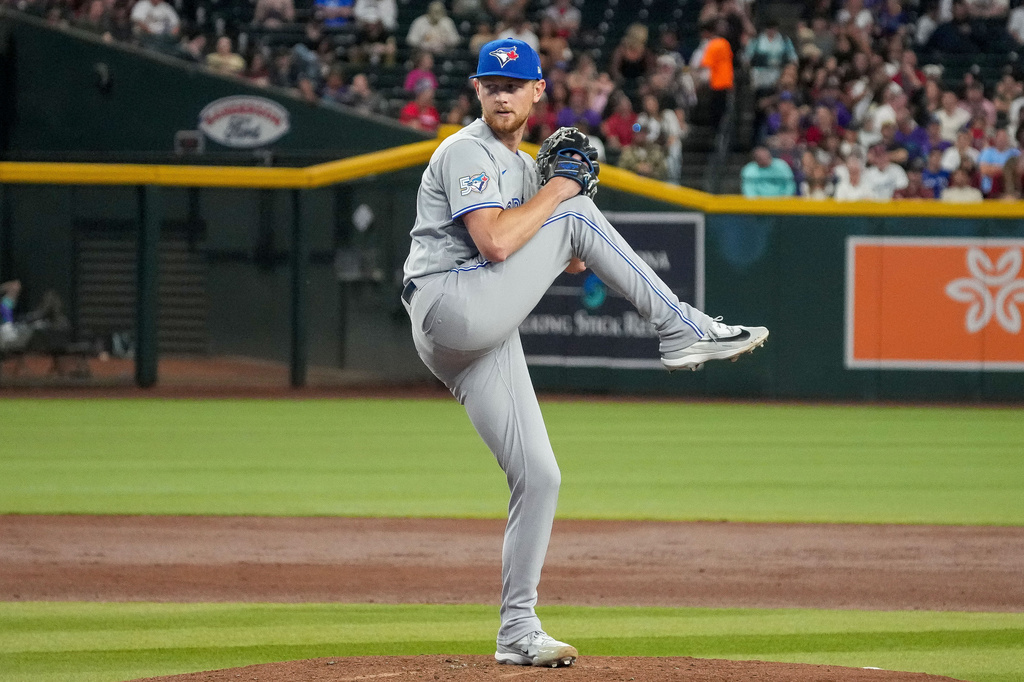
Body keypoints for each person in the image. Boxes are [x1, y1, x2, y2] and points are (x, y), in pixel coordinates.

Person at [400, 37, 768, 669]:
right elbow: (492, 243)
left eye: (515, 85)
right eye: (492, 84)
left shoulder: (520, 167)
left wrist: (560, 192)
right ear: (478, 91)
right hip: (447, 301)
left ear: (539, 91)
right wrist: (565, 192)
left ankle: (517, 631)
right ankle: (681, 327)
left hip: (476, 324)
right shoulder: (467, 149)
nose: (502, 94)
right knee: (578, 211)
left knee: (540, 477)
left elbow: (569, 257)